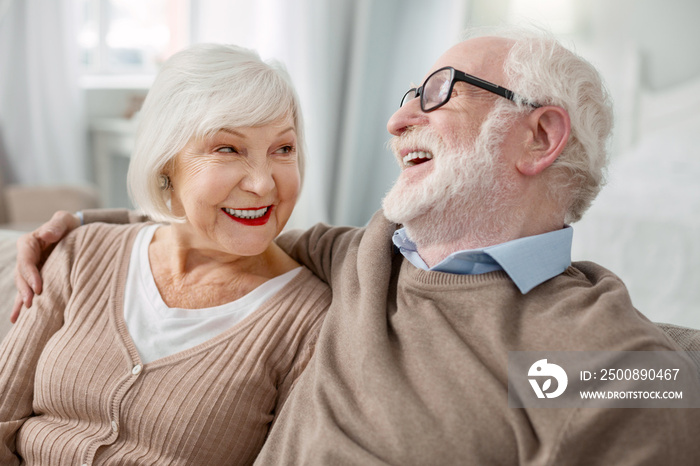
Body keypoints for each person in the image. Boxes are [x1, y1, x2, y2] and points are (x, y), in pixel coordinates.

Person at [11, 26, 700, 464]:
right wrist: (79, 232)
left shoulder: (601, 362)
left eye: (438, 94)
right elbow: (211, 231)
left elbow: (646, 378)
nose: (398, 121)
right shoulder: (363, 257)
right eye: (407, 97)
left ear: (539, 138)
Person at [0, 43, 331, 465]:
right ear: (165, 164)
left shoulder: (310, 322)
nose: (264, 185)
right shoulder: (80, 252)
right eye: (228, 149)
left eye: (283, 150)